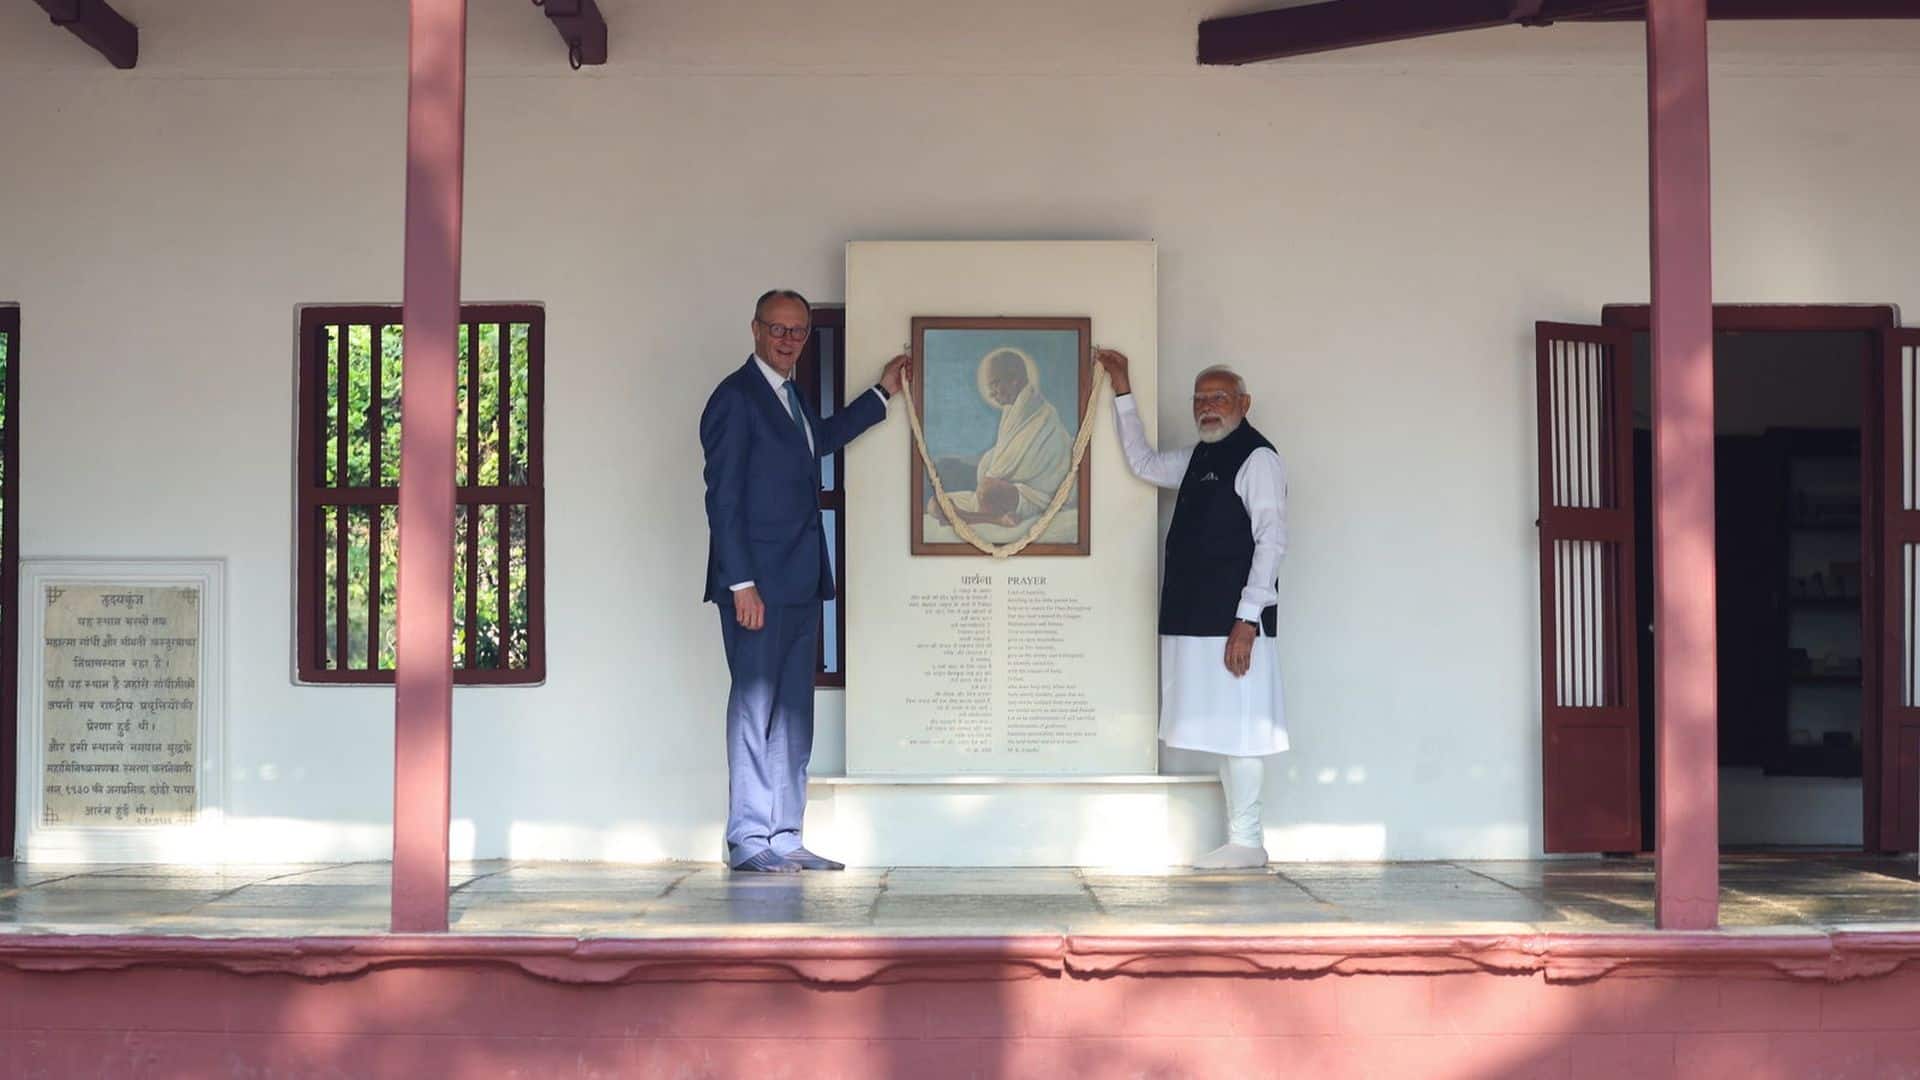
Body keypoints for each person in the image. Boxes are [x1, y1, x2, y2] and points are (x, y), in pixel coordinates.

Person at [700, 289, 910, 873]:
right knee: (755, 706)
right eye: (778, 329)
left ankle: (786, 835)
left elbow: (821, 439)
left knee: (794, 711)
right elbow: (723, 499)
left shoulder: (791, 396)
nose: (788, 340)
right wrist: (740, 583)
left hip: (800, 578)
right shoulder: (735, 398)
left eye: (797, 331)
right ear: (755, 329)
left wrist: (882, 393)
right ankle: (749, 839)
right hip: (755, 587)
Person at [1095, 349, 1288, 870]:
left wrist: (1247, 620)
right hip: (1193, 620)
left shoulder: (1258, 459)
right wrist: (1122, 388)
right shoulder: (1200, 455)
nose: (1207, 407)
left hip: (1233, 623)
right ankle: (1241, 841)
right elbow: (1144, 463)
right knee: (1226, 729)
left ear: (1244, 402)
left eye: (1219, 398)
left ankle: (1248, 842)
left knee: (1244, 728)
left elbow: (1271, 541)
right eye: (1200, 399)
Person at [927, 347, 1073, 530]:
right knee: (934, 503)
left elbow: (1018, 467)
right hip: (1002, 496)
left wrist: (988, 482)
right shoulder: (1012, 412)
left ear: (1014, 380)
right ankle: (994, 519)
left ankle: (964, 517)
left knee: (989, 491)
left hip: (1035, 497)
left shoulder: (1041, 415)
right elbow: (1002, 460)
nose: (991, 393)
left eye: (995, 383)